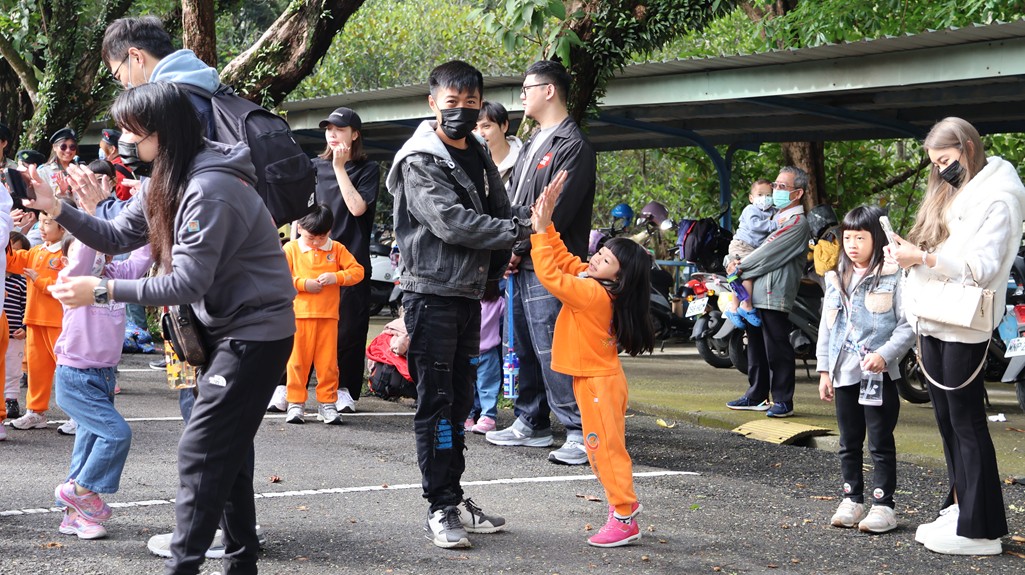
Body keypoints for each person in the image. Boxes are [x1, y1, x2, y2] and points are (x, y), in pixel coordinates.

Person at [30, 82, 295, 575]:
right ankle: (241, 563)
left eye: (132, 131)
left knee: (201, 452)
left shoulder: (209, 189)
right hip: (223, 330)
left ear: (163, 132)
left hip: (254, 332)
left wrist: (103, 291)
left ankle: (184, 565)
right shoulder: (164, 181)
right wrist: (57, 208)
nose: (123, 141)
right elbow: (117, 234)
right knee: (226, 456)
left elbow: (188, 281)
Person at [387, 59, 533, 549]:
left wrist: (525, 226)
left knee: (462, 402)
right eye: (452, 102)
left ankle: (452, 495)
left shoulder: (478, 151)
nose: (461, 110)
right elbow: (451, 223)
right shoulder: (419, 159)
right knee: (437, 404)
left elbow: (497, 209)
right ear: (433, 103)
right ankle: (439, 506)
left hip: (470, 293)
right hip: (432, 294)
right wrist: (517, 231)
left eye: (471, 103)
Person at [889, 117, 1025, 556]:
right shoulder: (959, 189)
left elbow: (981, 268)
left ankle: (981, 527)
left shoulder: (999, 196)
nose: (940, 169)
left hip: (965, 319)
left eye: (945, 159)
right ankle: (961, 506)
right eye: (934, 163)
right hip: (934, 313)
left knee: (965, 421)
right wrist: (911, 255)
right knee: (947, 419)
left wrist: (923, 259)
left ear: (967, 147)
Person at [529, 171, 654, 547]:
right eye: (600, 253)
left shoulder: (593, 295)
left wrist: (539, 231)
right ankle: (622, 506)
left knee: (606, 451)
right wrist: (548, 223)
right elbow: (566, 261)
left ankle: (624, 515)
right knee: (600, 449)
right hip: (595, 379)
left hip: (600, 383)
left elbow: (551, 276)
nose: (596, 259)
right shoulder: (596, 282)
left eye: (606, 259)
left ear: (621, 275)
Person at [486, 59, 597, 466]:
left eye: (527, 89)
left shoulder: (572, 145)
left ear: (548, 90)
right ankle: (531, 420)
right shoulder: (533, 140)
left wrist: (517, 249)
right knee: (522, 346)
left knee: (554, 348)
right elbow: (516, 203)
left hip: (551, 263)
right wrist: (510, 249)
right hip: (523, 259)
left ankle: (580, 431)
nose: (522, 96)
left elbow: (556, 212)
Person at [269, 107, 379, 415]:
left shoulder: (367, 169)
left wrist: (340, 167)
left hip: (347, 258)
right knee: (296, 326)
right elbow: (299, 213)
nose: (332, 134)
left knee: (348, 329)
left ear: (354, 135)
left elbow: (357, 208)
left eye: (339, 129)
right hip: (307, 260)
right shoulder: (313, 166)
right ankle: (287, 387)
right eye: (329, 129)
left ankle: (342, 389)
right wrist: (294, 246)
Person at [816, 205, 913, 534]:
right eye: (848, 238)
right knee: (849, 441)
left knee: (880, 442)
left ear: (876, 239)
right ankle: (851, 499)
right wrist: (825, 371)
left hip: (879, 376)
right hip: (844, 373)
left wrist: (885, 355)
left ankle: (883, 505)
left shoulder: (895, 276)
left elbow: (908, 325)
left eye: (860, 238)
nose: (853, 245)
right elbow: (827, 328)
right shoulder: (836, 278)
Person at [52, 238, 152, 539]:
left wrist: (151, 219)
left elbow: (143, 257)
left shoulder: (114, 278)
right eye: (87, 248)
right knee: (116, 434)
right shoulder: (72, 280)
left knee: (89, 443)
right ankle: (79, 491)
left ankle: (74, 517)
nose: (94, 255)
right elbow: (83, 258)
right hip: (76, 375)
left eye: (101, 250)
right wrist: (90, 225)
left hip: (104, 376)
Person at [725, 166, 811, 418]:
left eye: (783, 187)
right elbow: (748, 244)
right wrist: (733, 260)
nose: (776, 190)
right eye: (775, 185)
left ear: (798, 193)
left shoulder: (797, 223)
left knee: (776, 347)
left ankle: (783, 400)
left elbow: (766, 255)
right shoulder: (773, 218)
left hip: (775, 294)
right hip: (756, 293)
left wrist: (739, 266)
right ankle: (756, 394)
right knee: (755, 347)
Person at [281, 204, 364, 425]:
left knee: (328, 364)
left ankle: (327, 403)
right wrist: (303, 284)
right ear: (299, 228)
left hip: (328, 317)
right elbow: (278, 279)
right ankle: (295, 403)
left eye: (322, 237)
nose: (317, 242)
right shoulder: (290, 249)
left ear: (329, 231)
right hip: (298, 317)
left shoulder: (336, 248)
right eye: (311, 237)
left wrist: (336, 277)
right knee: (296, 363)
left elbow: (358, 272)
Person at [7, 212, 66, 432]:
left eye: (47, 223)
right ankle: (36, 412)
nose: (41, 227)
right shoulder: (36, 251)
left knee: (67, 370)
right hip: (34, 319)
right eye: (40, 222)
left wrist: (39, 281)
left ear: (63, 227)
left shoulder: (67, 253)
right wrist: (7, 228)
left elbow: (65, 285)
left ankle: (77, 415)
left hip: (58, 321)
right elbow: (10, 260)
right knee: (37, 370)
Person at [724, 179, 776, 328]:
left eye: (768, 195)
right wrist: (774, 224)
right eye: (760, 194)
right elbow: (755, 226)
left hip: (752, 249)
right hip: (742, 246)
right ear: (751, 198)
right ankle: (746, 306)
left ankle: (733, 309)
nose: (764, 198)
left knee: (739, 276)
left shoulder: (773, 212)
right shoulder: (750, 210)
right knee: (748, 275)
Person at [465, 279, 503, 434]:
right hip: (482, 352)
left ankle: (484, 417)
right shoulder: (498, 302)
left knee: (479, 386)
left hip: (481, 352)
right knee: (484, 386)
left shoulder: (468, 303)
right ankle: (481, 416)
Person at [4, 231, 29, 421]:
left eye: (18, 252)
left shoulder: (21, 281)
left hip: (14, 334)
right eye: (9, 250)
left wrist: (24, 327)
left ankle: (11, 399)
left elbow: (26, 306)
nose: (12, 256)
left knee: (13, 369)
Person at [474, 101, 522, 187]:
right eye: (474, 128)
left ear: (504, 126)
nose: (480, 134)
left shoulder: (525, 161)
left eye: (486, 126)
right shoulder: (467, 164)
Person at [37, 128, 79, 200]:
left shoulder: (81, 170)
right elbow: (40, 199)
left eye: (72, 147)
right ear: (54, 147)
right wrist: (60, 192)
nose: (68, 150)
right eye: (63, 147)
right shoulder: (44, 172)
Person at [98, 128, 135, 201]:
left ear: (112, 149)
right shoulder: (125, 163)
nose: (101, 151)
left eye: (102, 148)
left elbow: (122, 198)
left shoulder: (115, 170)